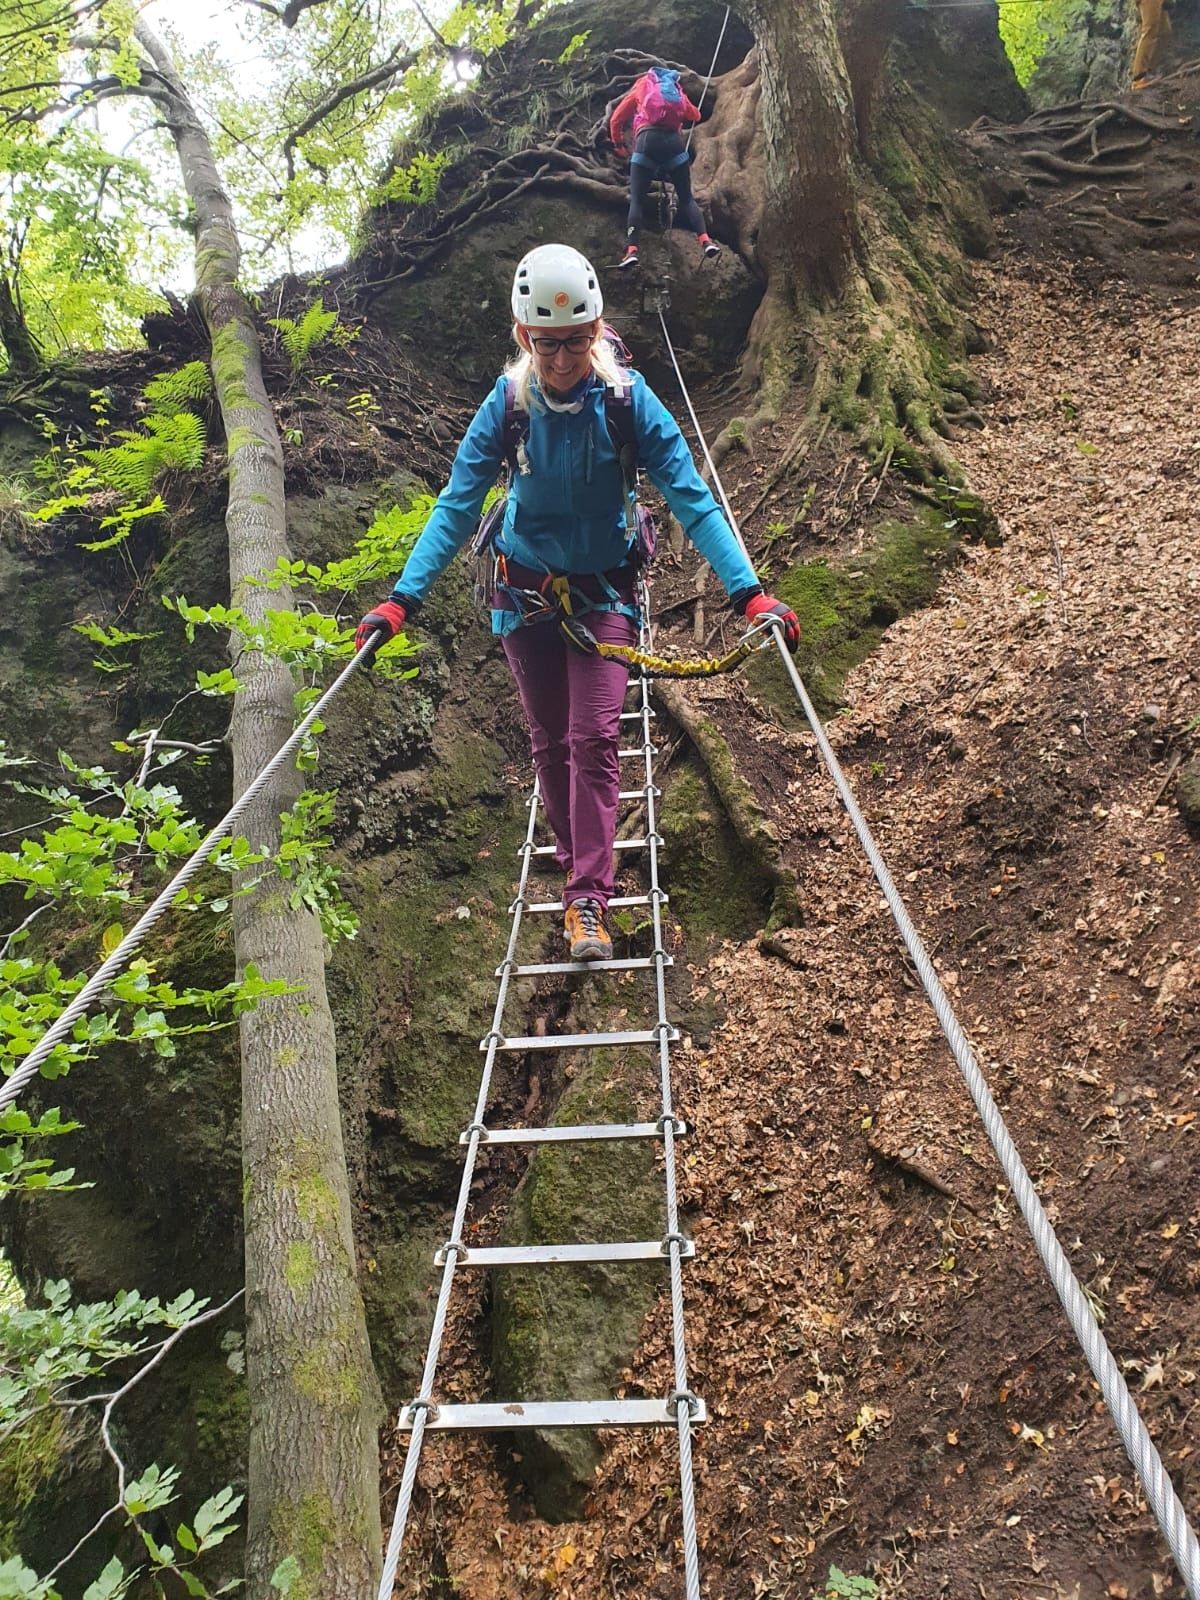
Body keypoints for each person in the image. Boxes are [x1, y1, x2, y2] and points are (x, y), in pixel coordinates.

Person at [356, 244, 798, 963]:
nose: (561, 359)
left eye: (576, 341)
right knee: (550, 744)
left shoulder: (627, 401)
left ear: (596, 331)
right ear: (522, 335)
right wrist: (400, 601)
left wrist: (749, 594)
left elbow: (692, 498)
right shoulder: (507, 404)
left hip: (604, 593)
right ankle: (574, 872)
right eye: (545, 343)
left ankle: (587, 899)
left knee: (592, 739)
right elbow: (456, 505)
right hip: (524, 596)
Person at [607, 66, 719, 272]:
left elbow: (616, 118)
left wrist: (619, 145)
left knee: (637, 200)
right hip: (673, 144)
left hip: (646, 142)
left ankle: (631, 251)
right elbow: (694, 115)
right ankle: (706, 241)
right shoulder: (675, 90)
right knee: (686, 198)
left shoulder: (643, 85)